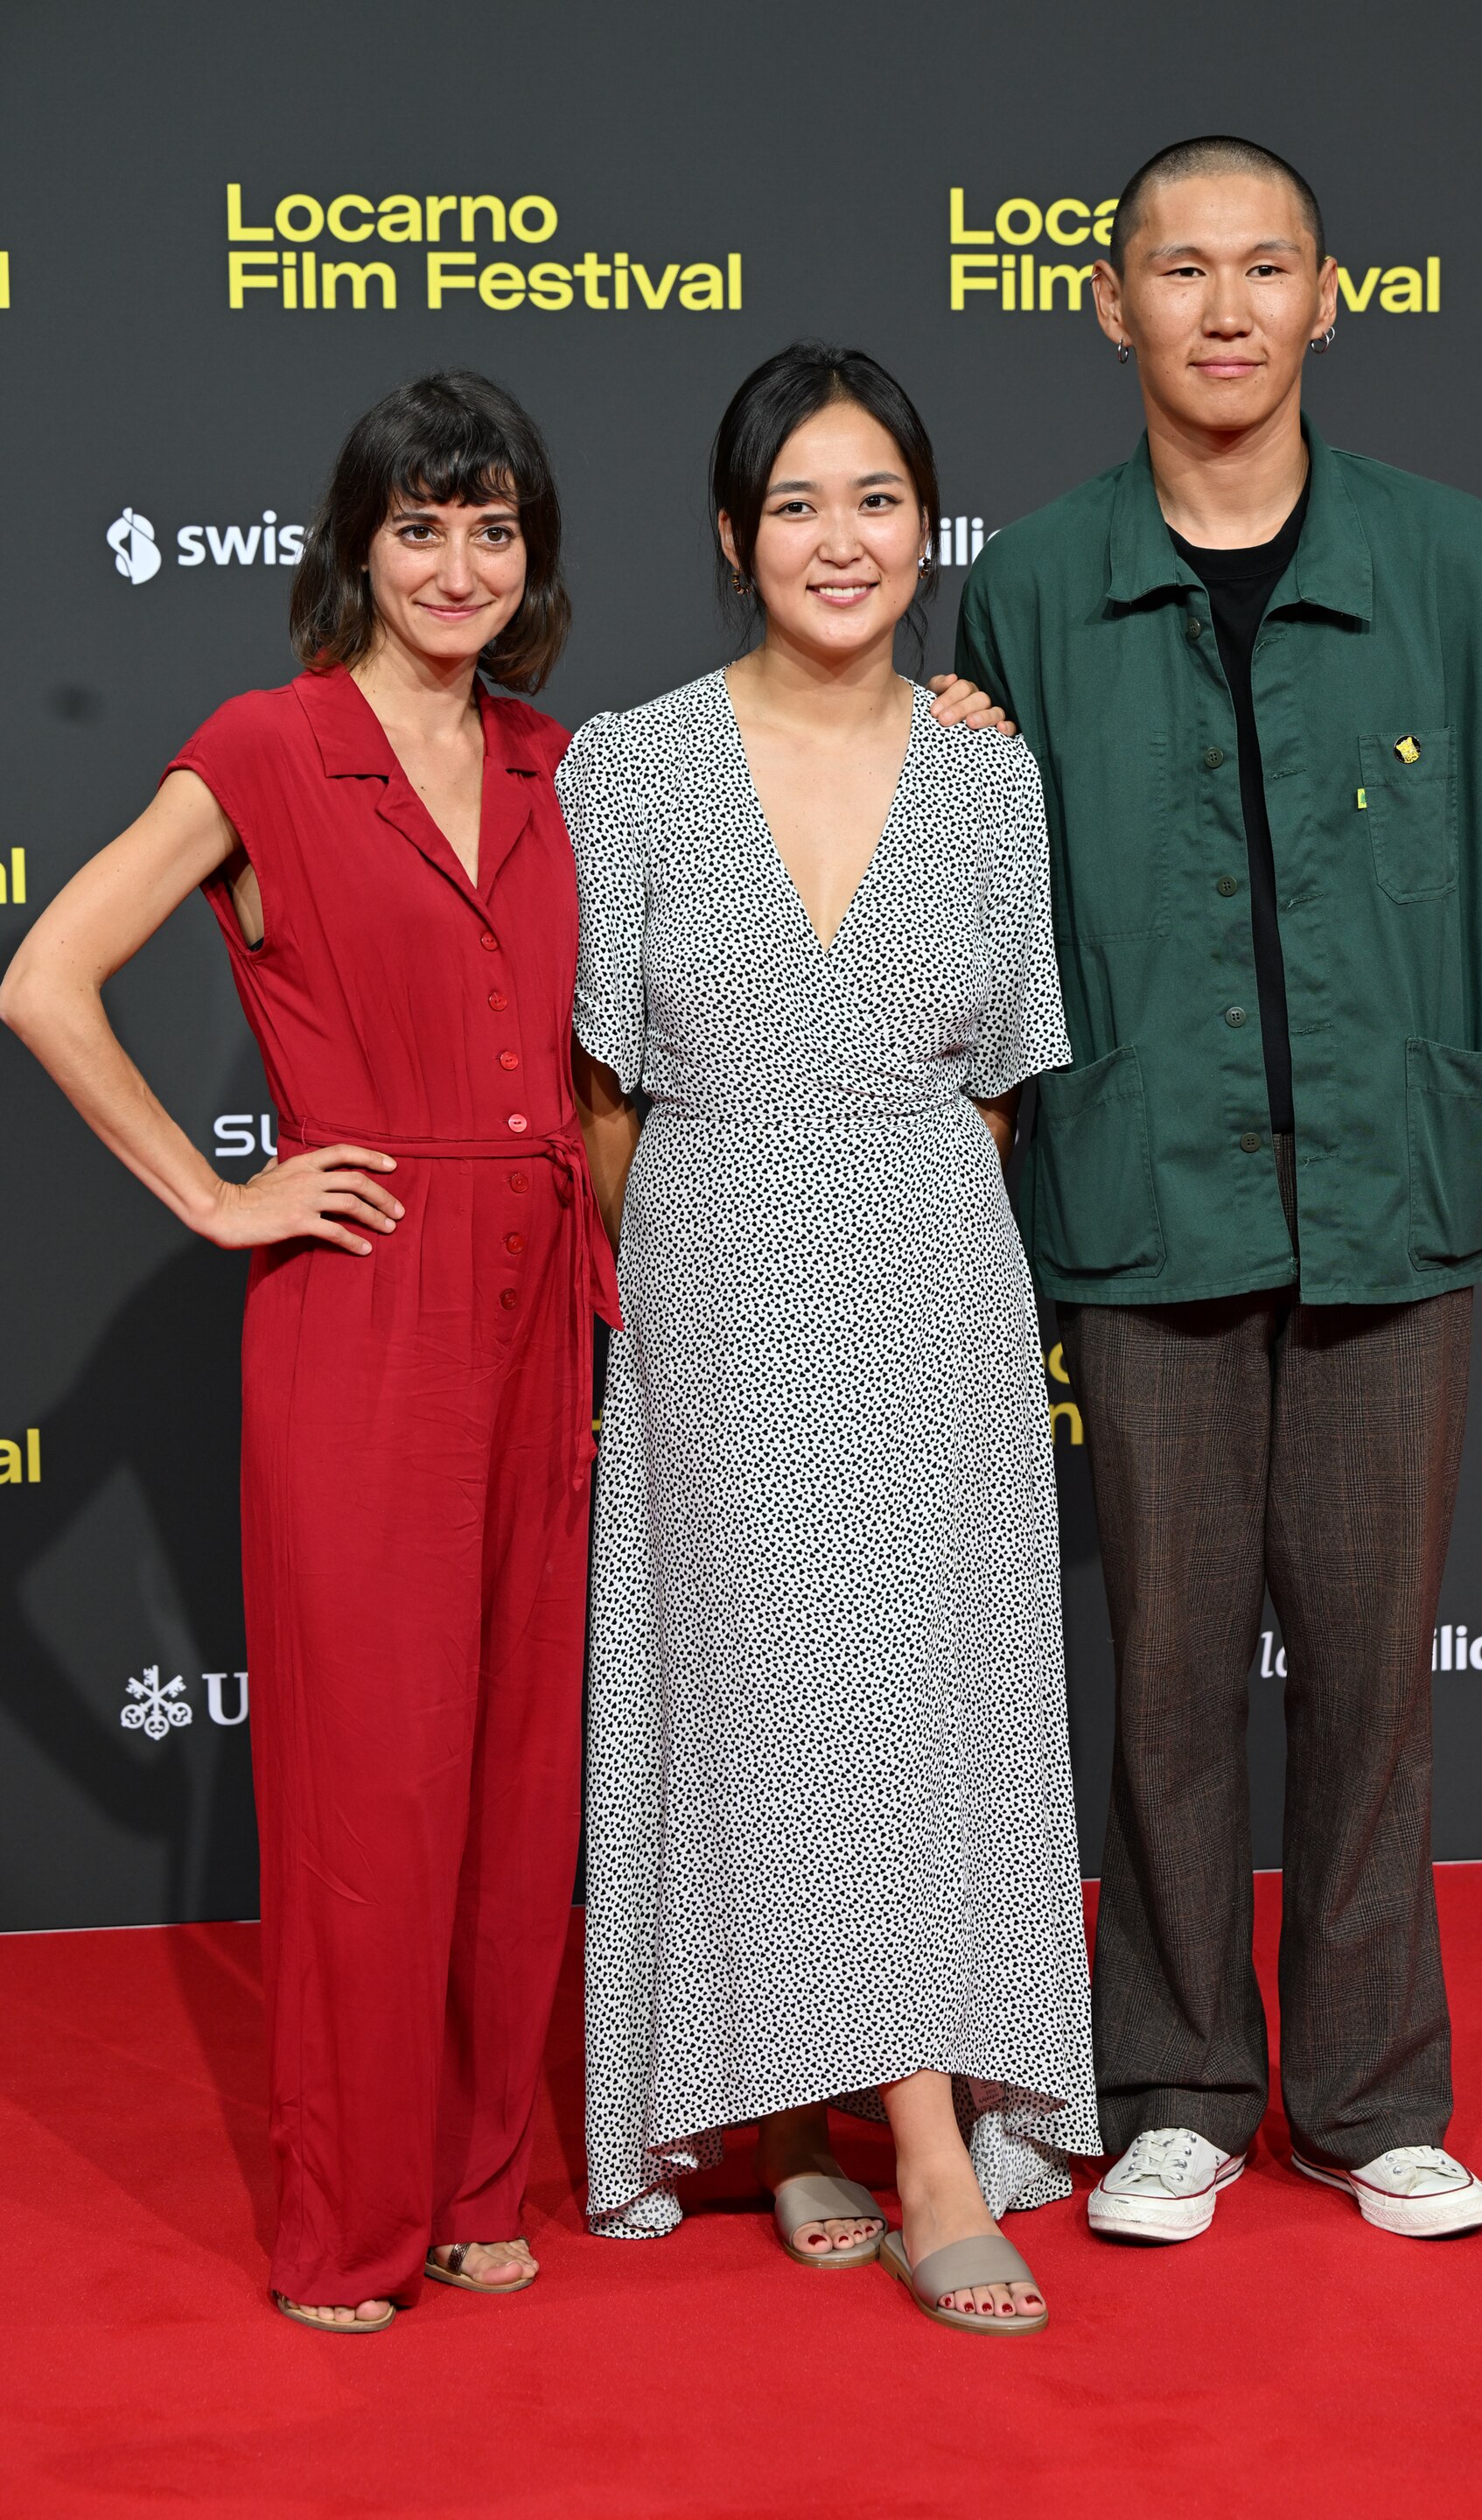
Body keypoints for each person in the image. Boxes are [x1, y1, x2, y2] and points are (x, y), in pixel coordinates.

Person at [957, 137, 1482, 2246]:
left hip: (1392, 1205)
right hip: (1145, 1206)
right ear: (1107, 303)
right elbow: (994, 909)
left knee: (1378, 1678)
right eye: (1180, 270)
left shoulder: (1455, 562)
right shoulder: (1031, 586)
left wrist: (1418, 1068)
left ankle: (1375, 2090)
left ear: (1330, 296)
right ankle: (1184, 2086)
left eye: (1265, 268)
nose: (1224, 308)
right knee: (1170, 1672)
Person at [0, 371, 621, 2331]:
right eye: (420, 525)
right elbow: (45, 975)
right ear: (355, 544)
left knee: (523, 1771)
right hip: (370, 1296)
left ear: (532, 559)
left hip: (550, 1284)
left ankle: (470, 2183)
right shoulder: (265, 748)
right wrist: (217, 1190)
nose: (457, 564)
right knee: (376, 1780)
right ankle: (345, 2229)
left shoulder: (553, 761)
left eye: (492, 528)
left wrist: (945, 721)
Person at [565, 340, 1099, 2334]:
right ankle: (831, 2121)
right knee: (762, 1712)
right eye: (796, 503)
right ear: (733, 538)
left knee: (915, 1712)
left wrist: (880, 1227)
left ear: (924, 527)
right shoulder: (628, 765)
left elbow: (1002, 1089)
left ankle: (906, 2118)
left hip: (934, 1284)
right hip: (715, 1282)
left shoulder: (990, 772)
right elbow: (607, 1097)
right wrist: (718, 1278)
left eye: (875, 498)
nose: (840, 537)